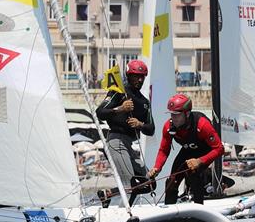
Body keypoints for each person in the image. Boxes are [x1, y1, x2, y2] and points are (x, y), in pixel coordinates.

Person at [147, 94, 224, 204]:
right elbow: (164, 150)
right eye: (172, 114)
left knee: (194, 175)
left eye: (177, 115)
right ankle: (169, 211)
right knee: (171, 181)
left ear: (187, 113)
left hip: (204, 152)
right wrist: (157, 167)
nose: (174, 118)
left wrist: (200, 161)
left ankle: (198, 209)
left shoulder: (202, 124)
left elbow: (219, 149)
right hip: (187, 151)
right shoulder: (168, 127)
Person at [96, 60, 155, 200]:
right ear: (128, 75)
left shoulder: (144, 102)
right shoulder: (118, 92)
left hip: (129, 145)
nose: (139, 80)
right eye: (136, 76)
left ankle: (107, 195)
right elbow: (100, 112)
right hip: (116, 141)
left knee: (149, 183)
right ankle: (125, 213)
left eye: (142, 76)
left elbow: (151, 129)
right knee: (130, 183)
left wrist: (140, 124)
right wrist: (120, 109)